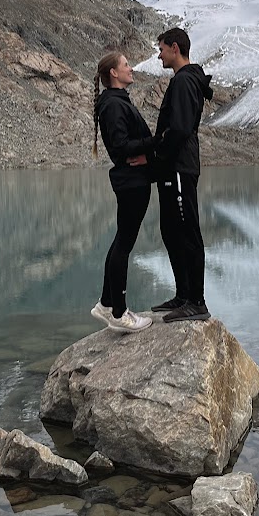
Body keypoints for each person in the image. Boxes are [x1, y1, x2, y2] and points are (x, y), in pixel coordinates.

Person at [142, 27, 213, 322]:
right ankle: (183, 294)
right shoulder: (183, 80)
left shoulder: (184, 81)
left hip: (180, 166)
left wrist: (159, 155)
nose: (158, 54)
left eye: (161, 49)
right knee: (171, 231)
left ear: (174, 48)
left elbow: (181, 129)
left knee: (186, 231)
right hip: (175, 168)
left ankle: (196, 301)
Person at [91, 51, 154, 333]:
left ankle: (107, 304)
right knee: (124, 244)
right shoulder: (114, 105)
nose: (131, 69)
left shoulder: (115, 101)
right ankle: (119, 312)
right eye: (126, 65)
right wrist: (153, 143)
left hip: (132, 180)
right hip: (131, 181)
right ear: (114, 73)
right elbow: (120, 146)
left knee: (121, 241)